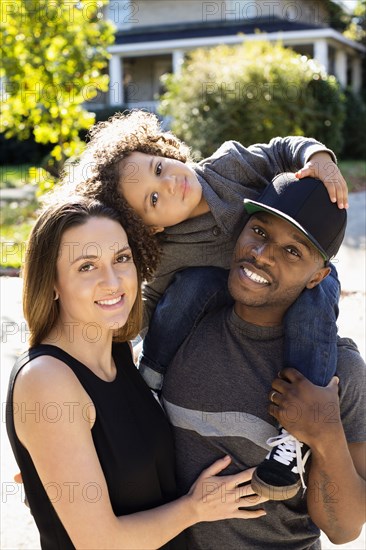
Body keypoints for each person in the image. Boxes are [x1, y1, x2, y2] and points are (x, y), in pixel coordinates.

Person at [69, 110, 348, 497]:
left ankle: (293, 439)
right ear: (150, 228)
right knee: (191, 286)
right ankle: (150, 378)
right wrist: (102, 336)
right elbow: (150, 302)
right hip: (230, 285)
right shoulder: (168, 252)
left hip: (298, 273)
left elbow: (282, 149)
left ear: (163, 150)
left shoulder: (227, 166)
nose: (169, 185)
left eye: (158, 168)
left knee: (314, 305)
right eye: (153, 198)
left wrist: (319, 159)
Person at [6, 198, 268, 550]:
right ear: (51, 282)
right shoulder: (46, 380)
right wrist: (195, 509)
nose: (112, 281)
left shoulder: (120, 355)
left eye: (121, 258)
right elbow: (99, 543)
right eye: (86, 267)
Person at [161, 173, 366, 549]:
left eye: (293, 252)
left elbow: (344, 529)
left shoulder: (339, 373)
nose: (263, 254)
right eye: (259, 231)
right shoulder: (184, 326)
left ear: (317, 276)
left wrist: (324, 433)